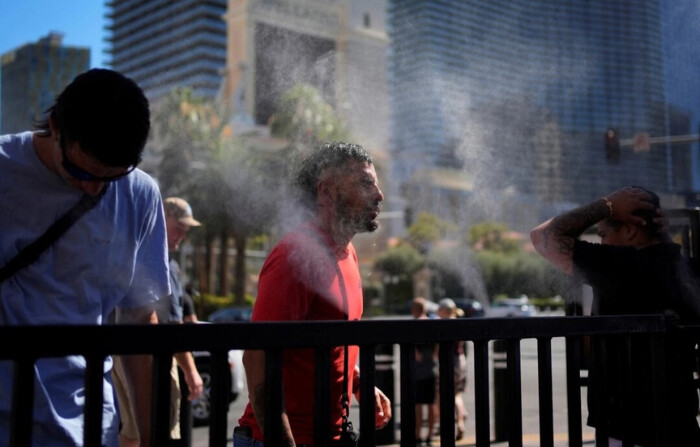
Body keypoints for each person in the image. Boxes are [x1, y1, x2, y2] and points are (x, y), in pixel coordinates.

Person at [0, 68, 170, 447]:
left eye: (110, 176)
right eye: (80, 170)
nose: (93, 188)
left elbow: (140, 322)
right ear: (56, 127)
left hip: (93, 428)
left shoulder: (140, 194)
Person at [234, 141, 392, 446]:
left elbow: (329, 342)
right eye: (365, 183)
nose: (379, 195)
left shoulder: (348, 254)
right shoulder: (294, 256)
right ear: (327, 192)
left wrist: (358, 382)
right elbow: (258, 362)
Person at [530, 186, 700, 446]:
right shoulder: (687, 269)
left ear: (630, 229)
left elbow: (542, 236)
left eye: (603, 234)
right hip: (682, 422)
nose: (602, 242)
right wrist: (661, 234)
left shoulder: (619, 268)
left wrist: (606, 205)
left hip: (627, 427)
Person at [112, 197, 205, 446]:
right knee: (160, 431)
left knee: (132, 432)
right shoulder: (161, 261)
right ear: (162, 217)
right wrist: (191, 371)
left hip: (120, 354)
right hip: (153, 358)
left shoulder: (134, 251)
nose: (182, 235)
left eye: (186, 231)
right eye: (179, 227)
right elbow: (171, 326)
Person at [436, 298, 468, 441]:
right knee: (457, 394)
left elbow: (438, 347)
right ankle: (461, 419)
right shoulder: (458, 321)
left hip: (449, 360)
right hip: (460, 359)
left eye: (439, 309)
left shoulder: (443, 323)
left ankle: (452, 423)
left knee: (447, 393)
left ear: (444, 310)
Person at [411, 297, 439, 446]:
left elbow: (412, 344)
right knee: (431, 404)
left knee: (419, 405)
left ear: (414, 310)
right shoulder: (431, 322)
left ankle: (418, 436)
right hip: (430, 368)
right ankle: (429, 436)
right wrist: (433, 354)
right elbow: (436, 345)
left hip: (418, 369)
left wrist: (416, 354)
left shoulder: (414, 323)